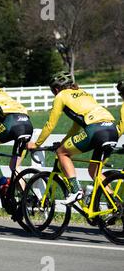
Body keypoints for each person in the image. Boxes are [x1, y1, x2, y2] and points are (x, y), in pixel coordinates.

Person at [27, 72, 119, 204]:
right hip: (111, 129)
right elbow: (76, 127)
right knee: (94, 171)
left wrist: (37, 144)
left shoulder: (61, 96)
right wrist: (64, 142)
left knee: (62, 153)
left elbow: (50, 124)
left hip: (96, 130)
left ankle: (76, 190)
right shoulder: (83, 92)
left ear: (56, 89)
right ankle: (115, 202)